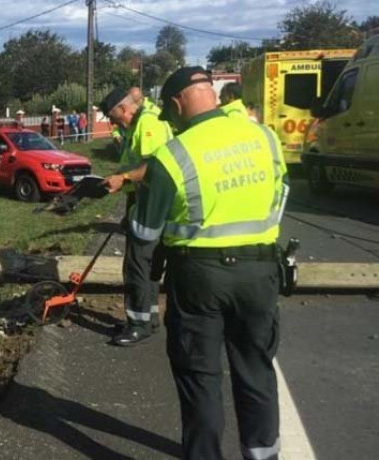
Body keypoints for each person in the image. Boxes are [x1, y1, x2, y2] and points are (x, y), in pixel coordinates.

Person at [116, 66, 287, 459]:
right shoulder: (264, 137)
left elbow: (144, 236)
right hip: (260, 271)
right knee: (256, 371)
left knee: (200, 378)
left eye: (170, 115)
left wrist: (142, 307)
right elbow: (280, 194)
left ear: (177, 104)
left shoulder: (173, 155)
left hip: (198, 278)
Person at [99, 88, 174, 346]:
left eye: (112, 116)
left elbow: (153, 166)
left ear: (123, 109)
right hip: (144, 201)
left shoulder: (148, 123)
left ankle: (138, 324)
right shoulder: (139, 125)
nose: (113, 123)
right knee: (149, 265)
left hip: (152, 204)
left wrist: (125, 178)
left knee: (137, 265)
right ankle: (148, 318)